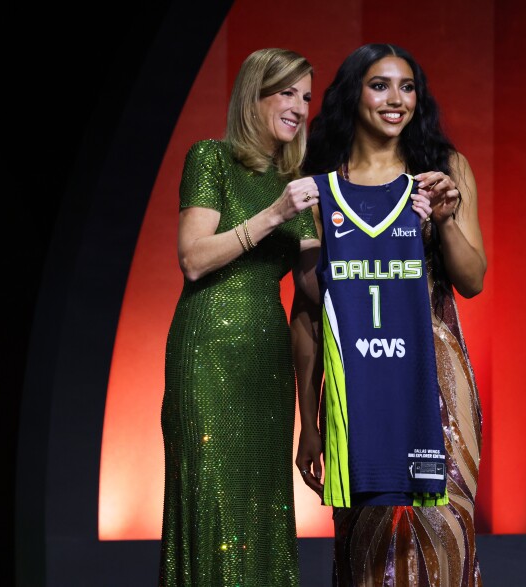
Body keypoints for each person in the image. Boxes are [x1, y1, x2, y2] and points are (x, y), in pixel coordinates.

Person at [295, 43, 486, 586]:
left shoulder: (444, 169)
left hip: (435, 378)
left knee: (445, 532)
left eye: (407, 87)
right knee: (367, 543)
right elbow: (308, 311)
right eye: (380, 85)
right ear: (352, 94)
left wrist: (444, 219)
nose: (396, 99)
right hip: (356, 377)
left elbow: (472, 280)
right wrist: (308, 423)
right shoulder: (318, 183)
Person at [159, 48, 320, 586]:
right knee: (212, 502)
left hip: (267, 361)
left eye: (306, 97)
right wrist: (275, 214)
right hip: (209, 354)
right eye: (287, 92)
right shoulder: (211, 157)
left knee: (263, 507)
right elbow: (193, 259)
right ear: (254, 95)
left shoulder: (296, 182)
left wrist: (380, 229)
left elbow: (313, 288)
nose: (299, 107)